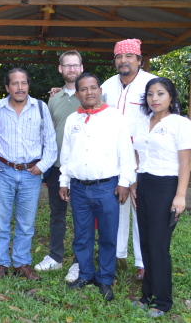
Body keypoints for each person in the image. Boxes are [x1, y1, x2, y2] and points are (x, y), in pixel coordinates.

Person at [59, 72, 136, 302]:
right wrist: (64, 181)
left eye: (93, 88)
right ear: (78, 93)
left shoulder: (115, 117)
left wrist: (124, 183)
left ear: (100, 91)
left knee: (108, 235)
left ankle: (104, 278)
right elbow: (66, 154)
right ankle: (85, 273)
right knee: (82, 234)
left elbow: (126, 152)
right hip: (79, 187)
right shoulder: (73, 119)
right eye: (84, 89)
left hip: (107, 187)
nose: (89, 92)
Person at [131, 77, 191, 318]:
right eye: (150, 94)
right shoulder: (142, 123)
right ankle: (146, 295)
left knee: (159, 245)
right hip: (144, 184)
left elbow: (184, 163)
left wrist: (180, 196)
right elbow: (138, 154)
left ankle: (162, 300)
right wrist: (135, 182)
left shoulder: (180, 124)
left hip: (166, 187)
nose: (154, 99)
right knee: (146, 243)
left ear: (171, 97)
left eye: (160, 93)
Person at [0, 68, 57, 281]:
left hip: (31, 173)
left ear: (28, 85)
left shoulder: (40, 107)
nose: (20, 87)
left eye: (24, 83)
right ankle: (1, 262)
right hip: (4, 171)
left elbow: (51, 142)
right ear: (7, 87)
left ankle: (21, 262)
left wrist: (42, 166)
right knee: (1, 220)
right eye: (15, 84)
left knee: (26, 222)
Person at [101, 38, 156, 280]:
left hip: (144, 157)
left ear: (139, 60)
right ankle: (118, 254)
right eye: (119, 57)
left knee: (140, 207)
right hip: (113, 156)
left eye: (129, 57)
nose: (123, 61)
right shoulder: (107, 86)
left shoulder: (151, 84)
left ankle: (143, 261)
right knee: (118, 203)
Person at [34, 50, 82, 283]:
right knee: (57, 214)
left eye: (76, 65)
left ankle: (79, 261)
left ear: (81, 68)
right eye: (67, 65)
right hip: (57, 166)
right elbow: (48, 132)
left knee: (82, 215)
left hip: (83, 168)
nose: (72, 69)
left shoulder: (92, 94)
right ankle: (55, 256)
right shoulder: (54, 98)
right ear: (60, 69)